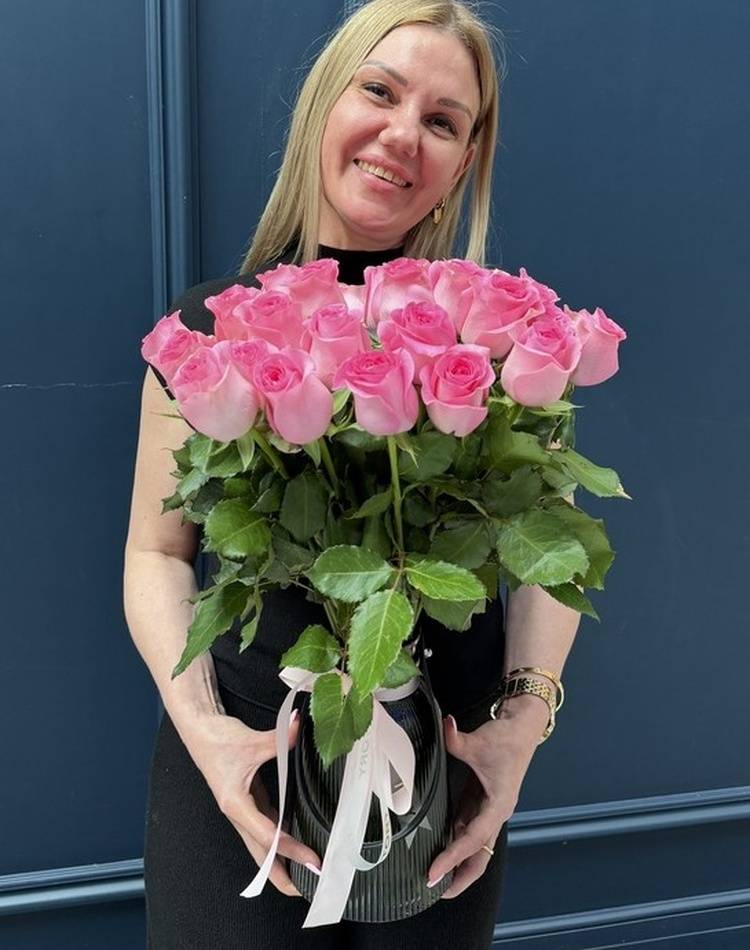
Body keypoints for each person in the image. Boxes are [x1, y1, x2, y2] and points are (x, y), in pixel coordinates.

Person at [124, 1, 582, 947]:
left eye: (444, 121)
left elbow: (554, 552)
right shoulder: (209, 328)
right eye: (380, 90)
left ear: (463, 162)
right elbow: (155, 555)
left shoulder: (493, 334)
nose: (403, 134)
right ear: (325, 104)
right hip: (248, 758)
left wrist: (520, 729)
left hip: (446, 774)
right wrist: (208, 735)